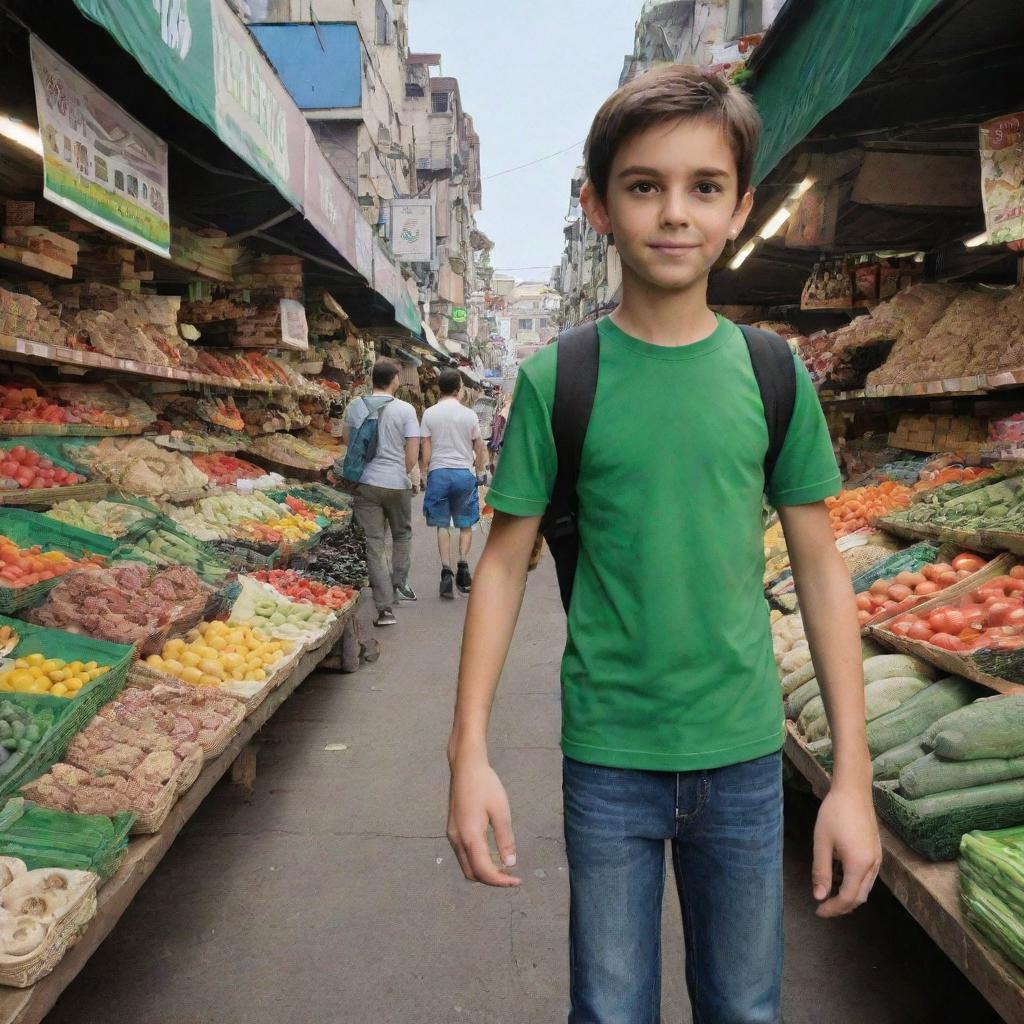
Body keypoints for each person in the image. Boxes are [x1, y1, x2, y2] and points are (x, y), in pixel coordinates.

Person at [445, 64, 881, 1023]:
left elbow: (822, 574)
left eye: (704, 188)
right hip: (609, 761)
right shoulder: (558, 379)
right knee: (608, 1011)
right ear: (599, 205)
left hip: (744, 760)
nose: (674, 213)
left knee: (746, 1009)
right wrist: (467, 753)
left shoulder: (775, 376)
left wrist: (852, 778)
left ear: (739, 207)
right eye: (645, 186)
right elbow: (503, 568)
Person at [342, 358, 421, 628]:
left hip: (366, 483)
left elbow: (348, 442)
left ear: (372, 379)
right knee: (402, 535)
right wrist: (403, 471)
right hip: (396, 482)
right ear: (395, 379)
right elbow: (412, 453)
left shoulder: (356, 406)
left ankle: (385, 609)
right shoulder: (406, 410)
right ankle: (398, 583)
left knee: (374, 544)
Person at [420, 368, 486, 599]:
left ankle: (446, 570)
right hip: (463, 475)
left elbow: (426, 446)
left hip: (439, 473)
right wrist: (481, 470)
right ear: (459, 390)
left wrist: (424, 470)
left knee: (442, 524)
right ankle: (463, 565)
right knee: (466, 523)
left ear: (439, 388)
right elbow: (478, 445)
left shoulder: (429, 414)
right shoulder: (469, 415)